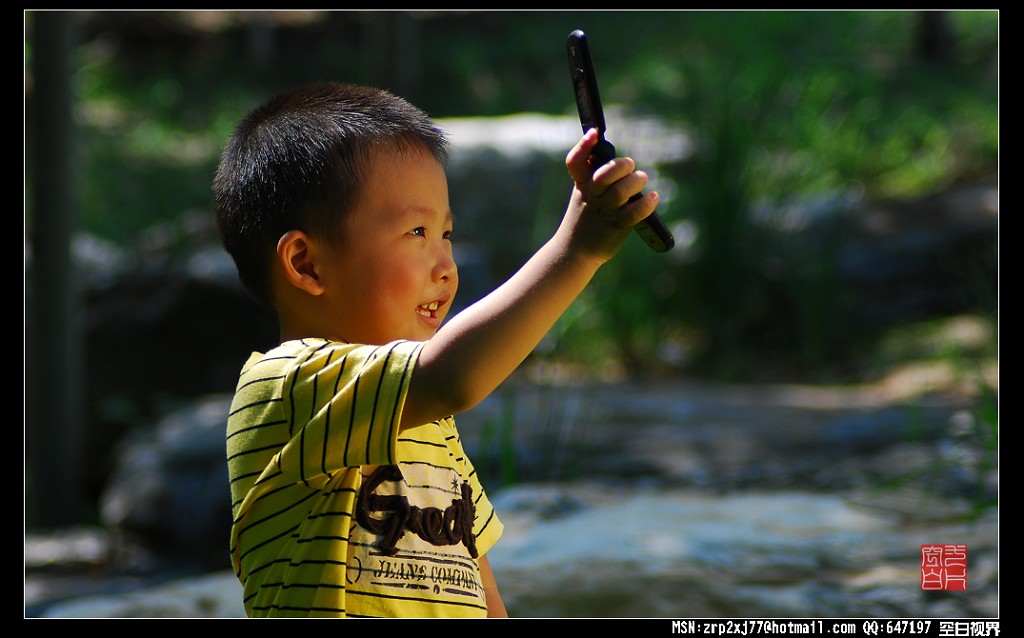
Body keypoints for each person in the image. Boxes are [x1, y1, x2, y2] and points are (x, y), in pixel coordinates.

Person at [214, 81, 658, 618]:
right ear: (306, 264)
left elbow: (480, 588)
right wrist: (576, 251)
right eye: (417, 231)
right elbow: (454, 375)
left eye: (446, 234)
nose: (446, 266)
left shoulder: (428, 424)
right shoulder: (287, 387)